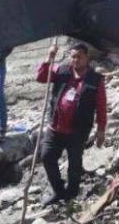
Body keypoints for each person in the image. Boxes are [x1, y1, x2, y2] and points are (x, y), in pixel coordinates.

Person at [36, 42, 107, 206]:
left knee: (75, 163)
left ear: (87, 58)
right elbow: (41, 77)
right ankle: (59, 191)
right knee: (46, 156)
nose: (76, 60)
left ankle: (72, 194)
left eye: (79, 56)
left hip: (78, 130)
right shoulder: (61, 70)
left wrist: (101, 129)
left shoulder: (95, 80)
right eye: (73, 56)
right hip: (55, 127)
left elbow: (101, 107)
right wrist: (49, 58)